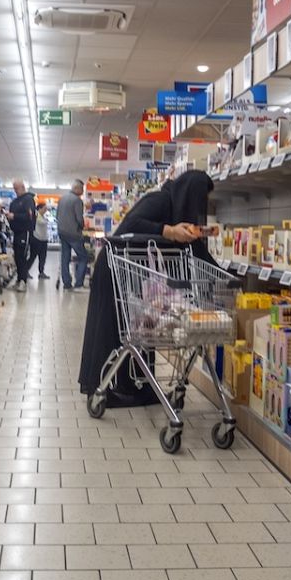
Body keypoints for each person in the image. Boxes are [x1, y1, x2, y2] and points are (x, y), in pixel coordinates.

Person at [78, 170, 217, 407]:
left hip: (134, 272)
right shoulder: (160, 200)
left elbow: (197, 253)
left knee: (140, 329)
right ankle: (104, 387)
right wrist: (169, 231)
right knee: (111, 326)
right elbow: (131, 223)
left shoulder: (180, 211)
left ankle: (136, 386)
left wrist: (224, 276)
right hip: (114, 267)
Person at [57, 179, 91, 291]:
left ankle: (67, 283)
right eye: (82, 189)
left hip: (62, 232)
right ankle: (78, 284)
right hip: (73, 234)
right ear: (77, 188)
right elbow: (79, 219)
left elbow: (57, 216)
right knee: (83, 257)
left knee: (65, 258)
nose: (82, 192)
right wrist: (82, 227)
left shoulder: (62, 199)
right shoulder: (77, 201)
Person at [5, 179, 37, 291]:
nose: (15, 191)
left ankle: (23, 281)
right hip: (16, 233)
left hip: (25, 232)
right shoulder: (14, 202)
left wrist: (15, 216)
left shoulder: (28, 200)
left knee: (22, 257)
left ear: (23, 187)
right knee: (17, 257)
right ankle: (19, 280)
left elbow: (30, 216)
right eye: (14, 189)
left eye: (16, 188)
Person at [31, 202, 50, 279]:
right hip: (37, 239)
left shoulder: (42, 216)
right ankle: (26, 271)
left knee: (43, 257)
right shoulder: (37, 216)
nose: (46, 210)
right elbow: (41, 222)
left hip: (43, 239)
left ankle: (41, 272)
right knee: (33, 256)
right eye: (44, 209)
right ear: (39, 209)